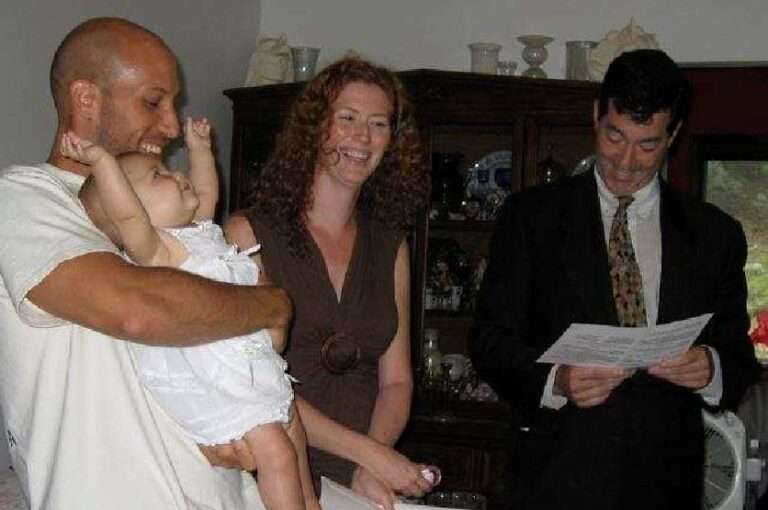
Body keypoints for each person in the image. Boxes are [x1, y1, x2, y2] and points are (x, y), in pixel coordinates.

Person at [0, 17, 424, 510]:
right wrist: (269, 304)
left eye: (174, 105)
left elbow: (231, 353)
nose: (171, 127)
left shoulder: (165, 212)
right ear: (86, 99)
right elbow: (140, 309)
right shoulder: (27, 199)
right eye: (154, 102)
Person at [469, 49, 760, 510]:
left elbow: (737, 352)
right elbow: (488, 339)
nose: (626, 161)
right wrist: (557, 381)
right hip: (555, 480)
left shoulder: (714, 234)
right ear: (595, 116)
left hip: (667, 485)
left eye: (647, 145)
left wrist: (711, 366)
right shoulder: (531, 217)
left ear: (673, 135)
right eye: (614, 136)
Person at [60, 115, 317, 510]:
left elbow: (206, 194)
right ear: (131, 207)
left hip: (254, 371)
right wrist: (101, 162)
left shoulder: (201, 233)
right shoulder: (157, 251)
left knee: (296, 440)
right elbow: (127, 215)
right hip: (224, 387)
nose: (175, 174)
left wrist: (200, 150)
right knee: (278, 455)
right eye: (157, 176)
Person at [225, 56, 433, 509]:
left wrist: (369, 464)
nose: (363, 137)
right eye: (348, 118)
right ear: (315, 129)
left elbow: (396, 382)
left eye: (379, 124)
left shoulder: (390, 246)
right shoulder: (248, 236)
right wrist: (373, 455)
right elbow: (256, 386)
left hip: (361, 475)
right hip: (275, 472)